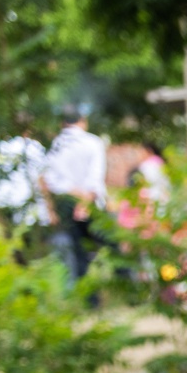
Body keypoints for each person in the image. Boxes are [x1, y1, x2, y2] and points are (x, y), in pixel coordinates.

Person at [42, 106, 107, 281]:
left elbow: (50, 180)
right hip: (90, 202)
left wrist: (72, 195)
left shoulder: (55, 145)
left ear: (63, 123)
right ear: (83, 121)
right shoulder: (93, 142)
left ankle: (87, 299)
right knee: (112, 243)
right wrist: (84, 201)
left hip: (66, 203)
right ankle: (128, 292)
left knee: (77, 251)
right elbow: (95, 177)